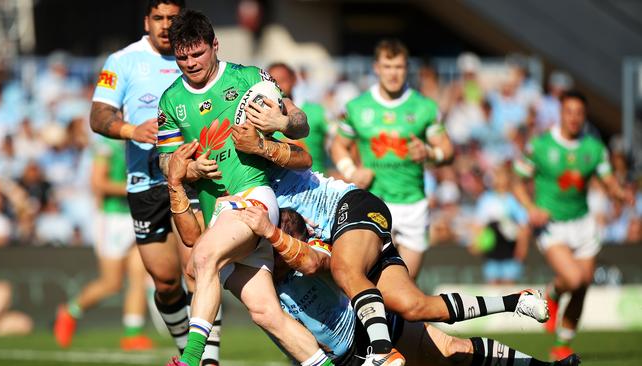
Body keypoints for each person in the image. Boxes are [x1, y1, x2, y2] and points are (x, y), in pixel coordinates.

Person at [163, 148, 572, 366]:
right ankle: (518, 308)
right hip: (349, 346)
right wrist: (176, 183)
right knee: (426, 318)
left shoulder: (318, 249)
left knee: (364, 280)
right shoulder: (252, 265)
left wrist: (270, 229)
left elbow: (312, 261)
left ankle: (383, 351)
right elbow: (197, 251)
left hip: (359, 271)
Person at [156, 9, 336, 366]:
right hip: (216, 214)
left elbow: (299, 124)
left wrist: (283, 119)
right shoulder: (170, 101)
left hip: (253, 199)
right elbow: (167, 160)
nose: (190, 63)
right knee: (267, 314)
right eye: (182, 56)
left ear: (215, 45)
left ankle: (190, 359)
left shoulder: (249, 79)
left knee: (202, 259)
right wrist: (187, 167)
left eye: (197, 53)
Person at [87, 1, 221, 364]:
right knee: (164, 281)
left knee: (198, 269)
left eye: (172, 19)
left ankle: (205, 360)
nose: (165, 26)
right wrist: (133, 130)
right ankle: (184, 347)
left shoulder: (196, 58)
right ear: (146, 21)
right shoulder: (122, 61)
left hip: (191, 182)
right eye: (158, 19)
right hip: (144, 182)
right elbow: (98, 116)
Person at [513, 90, 633, 360]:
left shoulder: (594, 148)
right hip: (553, 226)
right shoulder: (540, 146)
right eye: (569, 112)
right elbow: (516, 182)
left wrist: (618, 192)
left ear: (584, 116)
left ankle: (562, 344)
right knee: (574, 278)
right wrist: (531, 208)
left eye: (579, 113)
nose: (574, 118)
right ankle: (553, 292)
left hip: (583, 224)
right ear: (561, 113)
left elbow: (608, 179)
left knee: (583, 285)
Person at [331, 39, 454, 280]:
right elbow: (339, 145)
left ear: (406, 68)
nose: (393, 73)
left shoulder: (424, 107)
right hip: (374, 203)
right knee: (368, 280)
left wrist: (430, 154)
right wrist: (352, 171)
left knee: (404, 289)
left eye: (398, 67)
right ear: (376, 67)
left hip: (413, 205)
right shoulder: (357, 107)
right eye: (387, 66)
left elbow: (447, 151)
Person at [54, 137, 152, 350]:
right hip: (112, 218)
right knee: (111, 283)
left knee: (139, 274)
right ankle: (70, 311)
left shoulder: (144, 140)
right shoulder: (106, 144)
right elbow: (98, 183)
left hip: (138, 214)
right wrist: (137, 187)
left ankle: (132, 334)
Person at [267, 62, 332, 175]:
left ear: (294, 80)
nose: (277, 86)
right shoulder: (261, 115)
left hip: (315, 184)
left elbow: (339, 142)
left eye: (282, 80)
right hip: (278, 185)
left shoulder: (318, 111)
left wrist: (347, 170)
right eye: (272, 82)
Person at [471, 163, 530, 285]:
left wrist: (522, 247)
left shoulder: (514, 200)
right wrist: (477, 243)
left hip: (510, 253)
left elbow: (523, 226)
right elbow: (479, 225)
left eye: (501, 176)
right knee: (492, 287)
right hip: (492, 253)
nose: (498, 179)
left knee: (510, 288)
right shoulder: (486, 200)